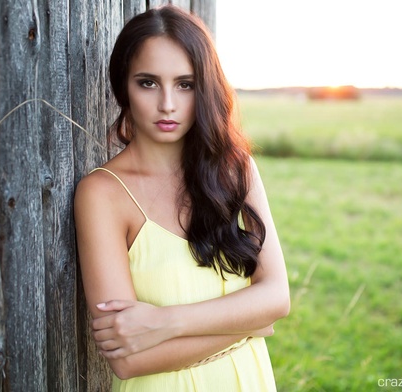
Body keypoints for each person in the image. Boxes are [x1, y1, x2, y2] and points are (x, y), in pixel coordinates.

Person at [74, 5, 290, 391]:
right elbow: (127, 360)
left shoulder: (235, 170)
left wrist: (165, 322)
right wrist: (250, 322)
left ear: (204, 88)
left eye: (185, 84)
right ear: (123, 85)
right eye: (148, 82)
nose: (168, 104)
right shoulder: (102, 194)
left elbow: (276, 297)